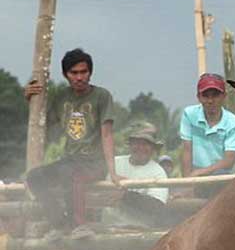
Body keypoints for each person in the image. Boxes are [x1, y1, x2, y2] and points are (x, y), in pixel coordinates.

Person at [24, 48, 119, 240]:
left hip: (93, 163)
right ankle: (60, 224)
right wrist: (30, 100)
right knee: (34, 177)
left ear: (90, 72)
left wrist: (112, 171)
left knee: (72, 174)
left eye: (83, 72)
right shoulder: (61, 97)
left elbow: (107, 135)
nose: (79, 77)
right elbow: (43, 125)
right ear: (66, 75)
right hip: (69, 161)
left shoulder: (101, 96)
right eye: (74, 73)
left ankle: (80, 225)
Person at [103, 124, 169, 228]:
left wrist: (125, 196)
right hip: (108, 227)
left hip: (139, 230)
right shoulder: (114, 163)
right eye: (136, 143)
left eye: (146, 144)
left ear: (153, 148)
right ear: (130, 145)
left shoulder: (158, 172)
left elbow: (157, 207)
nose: (140, 148)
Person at [179, 73, 235, 180]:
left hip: (222, 176)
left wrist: (199, 173)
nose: (210, 101)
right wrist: (188, 181)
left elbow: (229, 161)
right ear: (199, 97)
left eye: (215, 95)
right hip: (194, 173)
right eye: (205, 95)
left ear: (224, 96)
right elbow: (186, 150)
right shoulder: (189, 114)